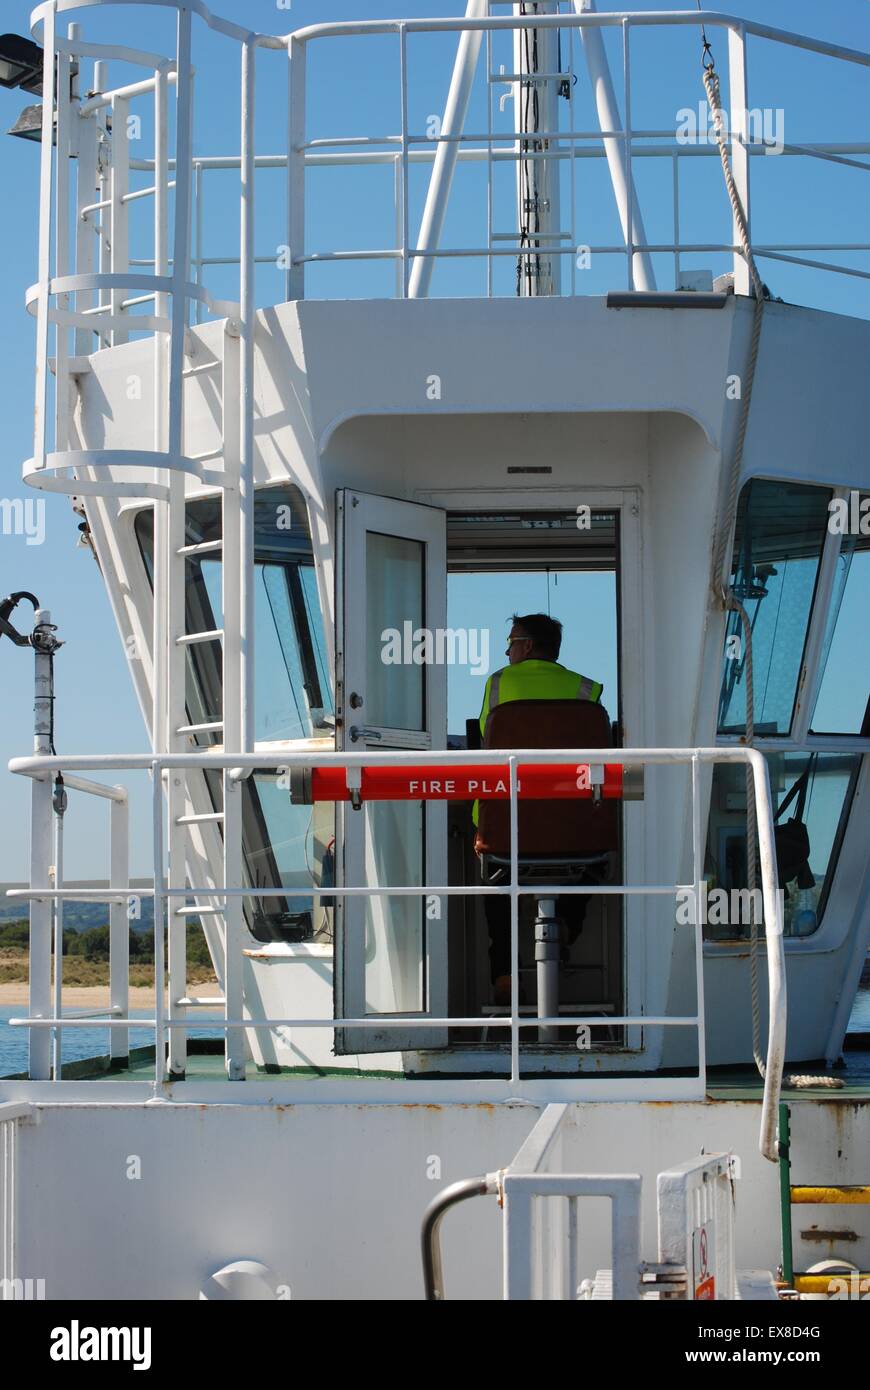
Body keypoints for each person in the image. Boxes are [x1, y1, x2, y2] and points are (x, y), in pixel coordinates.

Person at [475, 613, 604, 1004]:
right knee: (588, 868)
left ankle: (504, 974)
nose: (508, 651)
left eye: (511, 643)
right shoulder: (588, 689)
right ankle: (565, 927)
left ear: (527, 646)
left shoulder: (498, 683)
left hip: (507, 829)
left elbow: (486, 740)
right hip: (580, 830)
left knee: (496, 885)